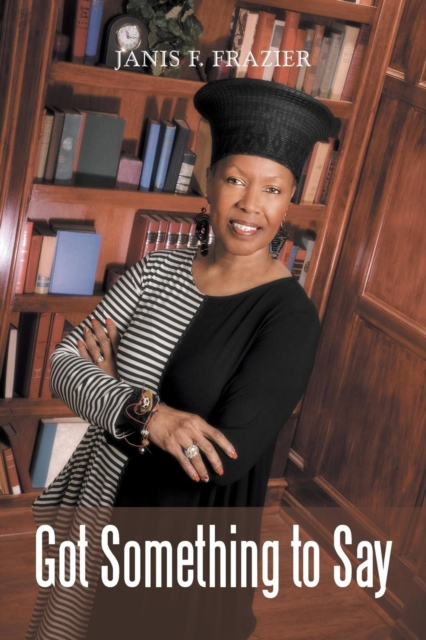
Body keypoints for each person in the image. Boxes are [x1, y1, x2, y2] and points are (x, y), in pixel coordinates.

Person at [26, 78, 336, 640]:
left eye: (272, 189)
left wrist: (114, 390)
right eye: (236, 180)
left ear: (289, 201)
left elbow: (221, 460)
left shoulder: (289, 318)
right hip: (98, 504)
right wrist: (153, 417)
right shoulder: (156, 270)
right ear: (209, 182)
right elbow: (64, 364)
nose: (250, 205)